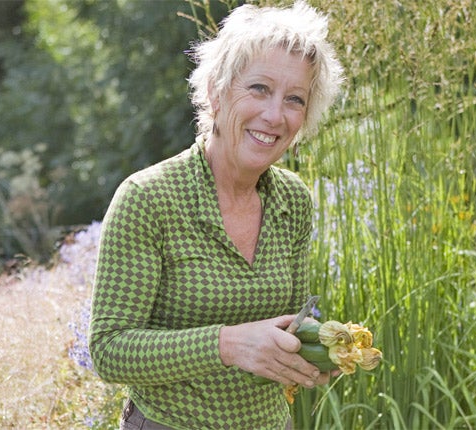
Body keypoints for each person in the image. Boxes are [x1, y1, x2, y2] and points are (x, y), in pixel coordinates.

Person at [88, 1, 343, 429]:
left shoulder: (293, 202)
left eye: (294, 99)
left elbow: (290, 325)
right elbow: (109, 350)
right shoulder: (148, 199)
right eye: (259, 88)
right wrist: (228, 345)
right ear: (217, 91)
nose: (274, 115)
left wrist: (321, 351)